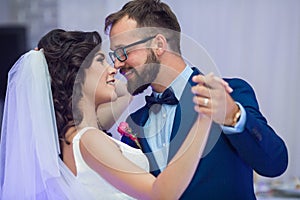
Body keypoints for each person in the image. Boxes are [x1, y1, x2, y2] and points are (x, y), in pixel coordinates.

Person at [104, 0, 288, 199]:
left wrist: (233, 116)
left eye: (123, 51)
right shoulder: (135, 124)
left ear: (158, 44)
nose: (117, 64)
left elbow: (274, 164)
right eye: (114, 55)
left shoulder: (229, 94)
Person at [0, 29, 213, 199]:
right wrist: (204, 119)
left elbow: (125, 90)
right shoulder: (89, 140)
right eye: (101, 60)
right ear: (77, 75)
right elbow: (161, 194)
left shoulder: (73, 140)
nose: (114, 68)